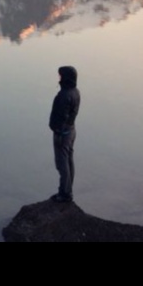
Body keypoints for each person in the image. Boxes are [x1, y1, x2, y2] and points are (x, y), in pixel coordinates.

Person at [49, 65, 81, 203]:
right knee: (68, 161)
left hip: (63, 133)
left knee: (62, 164)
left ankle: (64, 194)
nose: (59, 78)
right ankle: (67, 191)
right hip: (71, 131)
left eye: (61, 75)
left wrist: (58, 131)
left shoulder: (64, 95)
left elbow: (61, 115)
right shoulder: (75, 92)